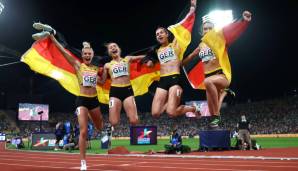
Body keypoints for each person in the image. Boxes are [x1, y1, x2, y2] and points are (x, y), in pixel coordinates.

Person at [183, 10, 252, 129]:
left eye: (210, 28)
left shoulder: (220, 39)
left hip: (222, 76)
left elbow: (233, 32)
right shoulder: (201, 45)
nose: (208, 30)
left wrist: (244, 21)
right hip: (209, 80)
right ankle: (216, 123)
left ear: (214, 29)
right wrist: (177, 64)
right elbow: (190, 57)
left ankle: (223, 96)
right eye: (205, 28)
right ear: (201, 31)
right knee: (212, 112)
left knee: (208, 83)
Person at [48, 33, 104, 170]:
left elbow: (102, 81)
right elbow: (63, 50)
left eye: (89, 53)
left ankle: (92, 115)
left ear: (92, 54)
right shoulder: (78, 65)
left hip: (94, 100)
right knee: (83, 131)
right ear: (82, 55)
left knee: (100, 127)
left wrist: (106, 72)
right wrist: (53, 39)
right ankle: (83, 162)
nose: (87, 55)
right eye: (84, 53)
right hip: (82, 100)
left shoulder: (96, 68)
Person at [149, 0, 198, 118]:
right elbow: (147, 59)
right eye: (157, 34)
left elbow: (183, 25)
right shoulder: (157, 50)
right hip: (163, 81)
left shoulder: (175, 45)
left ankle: (192, 108)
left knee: (171, 113)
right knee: (155, 113)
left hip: (176, 79)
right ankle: (170, 104)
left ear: (167, 34)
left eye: (161, 32)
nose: (159, 35)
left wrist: (192, 8)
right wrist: (148, 61)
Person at [99, 42, 148, 126]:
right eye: (110, 48)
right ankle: (108, 134)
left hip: (127, 91)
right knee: (113, 122)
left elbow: (144, 57)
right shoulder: (107, 65)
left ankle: (136, 137)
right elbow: (102, 82)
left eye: (115, 46)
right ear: (109, 52)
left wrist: (154, 55)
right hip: (115, 92)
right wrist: (94, 76)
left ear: (119, 49)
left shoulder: (128, 59)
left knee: (134, 120)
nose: (113, 48)